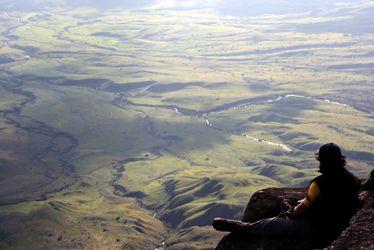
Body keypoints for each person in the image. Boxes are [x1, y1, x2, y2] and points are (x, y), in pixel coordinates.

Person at [212, 143, 361, 242]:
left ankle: (246, 228)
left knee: (275, 223)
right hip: (341, 225)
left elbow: (300, 210)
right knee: (295, 203)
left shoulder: (319, 183)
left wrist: (291, 212)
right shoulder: (354, 180)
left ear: (321, 160)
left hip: (320, 229)